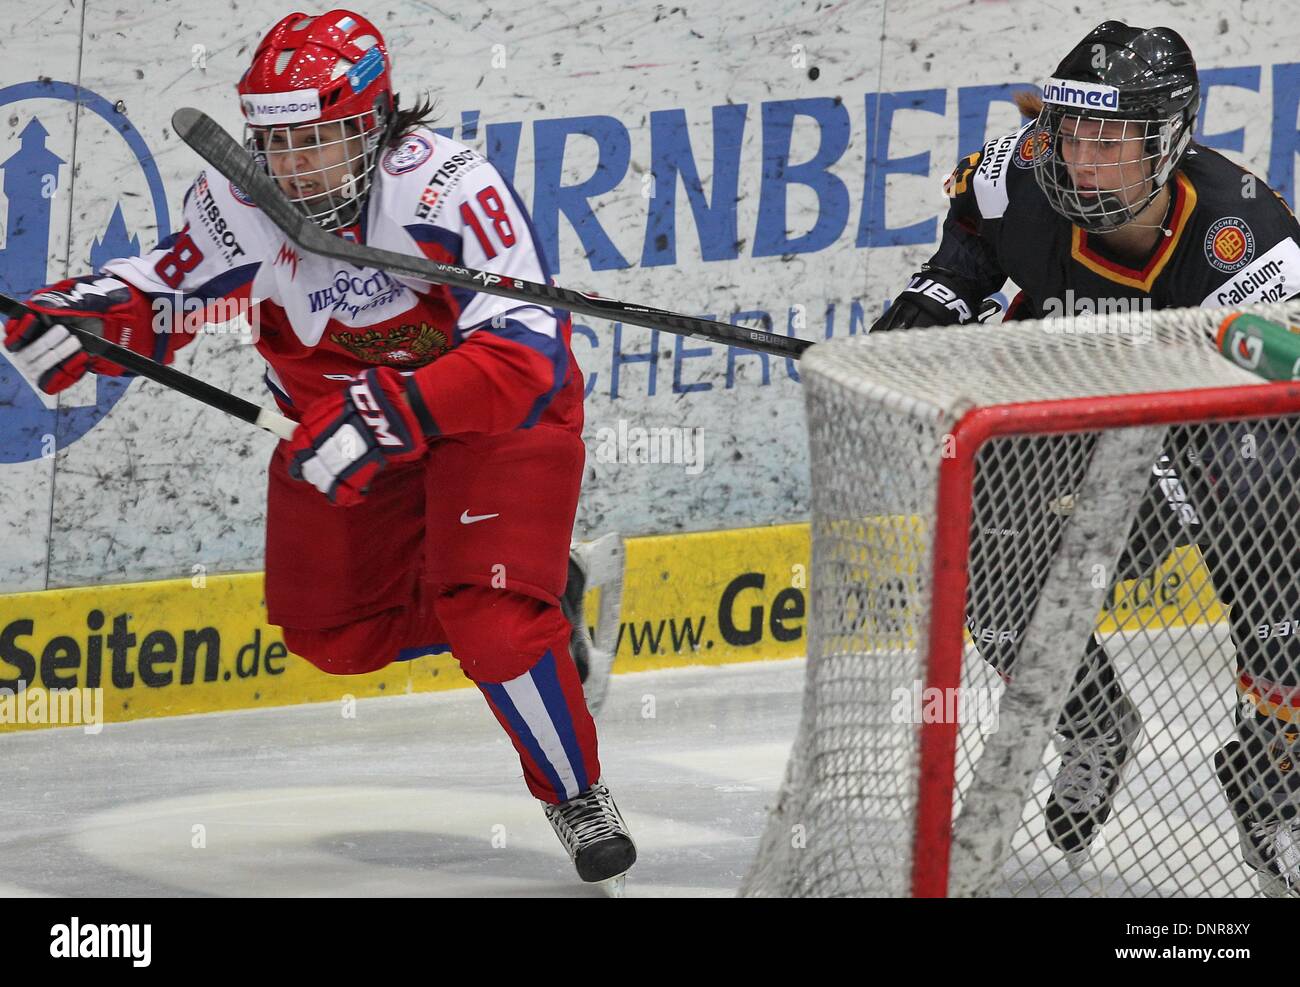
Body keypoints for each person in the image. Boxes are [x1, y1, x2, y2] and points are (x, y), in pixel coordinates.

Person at [2, 8, 635, 891]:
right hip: (342, 426)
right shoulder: (238, 202)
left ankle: (573, 787)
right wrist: (80, 315)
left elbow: (530, 349)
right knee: (334, 637)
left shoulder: (446, 187)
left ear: (373, 123)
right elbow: (172, 289)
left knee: (489, 622)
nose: (293, 166)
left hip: (493, 419)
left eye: (318, 139)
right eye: (276, 142)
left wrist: (393, 411)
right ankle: (553, 591)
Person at [872, 21, 1300, 895]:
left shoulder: (1244, 235)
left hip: (1206, 427)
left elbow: (1283, 377)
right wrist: (934, 307)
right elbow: (968, 252)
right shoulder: (1015, 174)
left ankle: (1272, 776)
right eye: (1073, 128)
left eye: (1112, 138)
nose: (1082, 154)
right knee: (972, 554)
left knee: (1267, 515)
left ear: (1169, 141)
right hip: (1062, 408)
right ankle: (1093, 719)